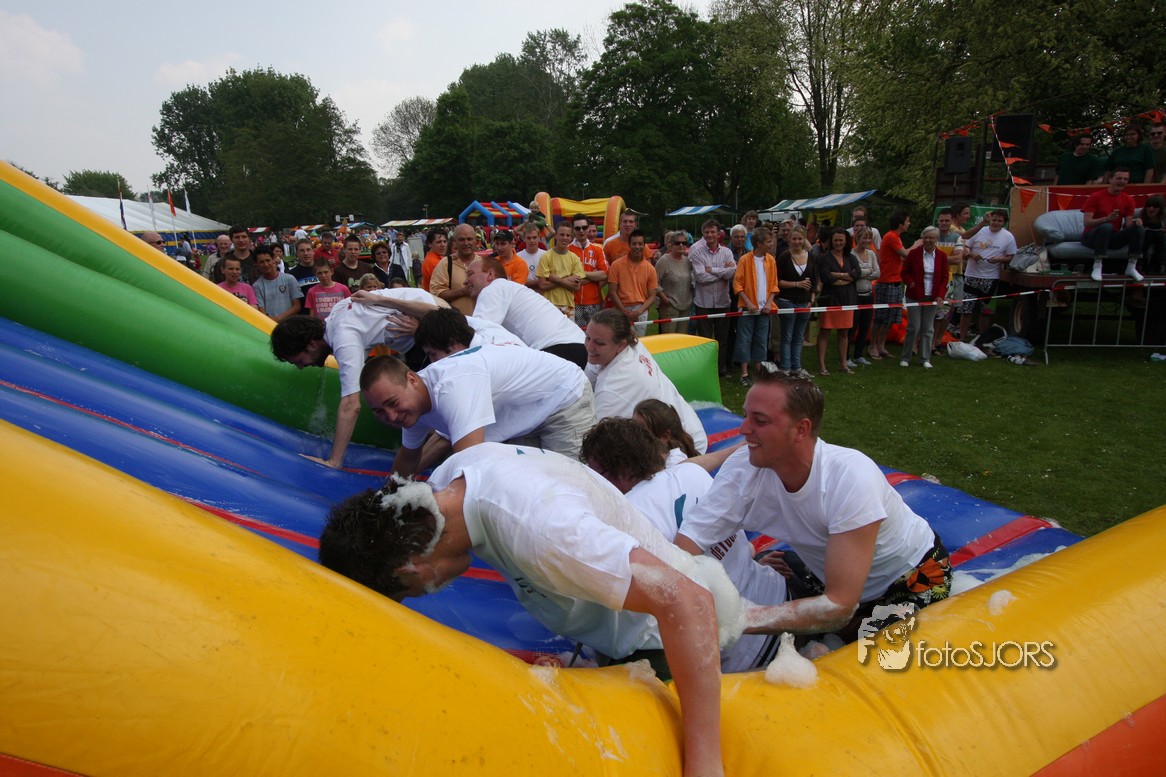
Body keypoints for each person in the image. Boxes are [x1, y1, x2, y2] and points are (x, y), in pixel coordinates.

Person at [319, 444, 738, 777]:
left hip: (665, 644)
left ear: (411, 569)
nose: (426, 593)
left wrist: (705, 764)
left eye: (411, 593)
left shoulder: (542, 530)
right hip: (628, 624)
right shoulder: (453, 478)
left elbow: (688, 601)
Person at [676, 369, 951, 642]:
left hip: (911, 577)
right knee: (777, 567)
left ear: (801, 429)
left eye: (759, 420)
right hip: (830, 576)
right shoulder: (742, 469)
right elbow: (689, 543)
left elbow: (838, 606)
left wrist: (738, 620)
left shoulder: (850, 479)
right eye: (745, 415)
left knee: (871, 654)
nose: (743, 429)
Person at [580, 418, 788, 673]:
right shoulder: (692, 473)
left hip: (740, 655)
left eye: (595, 473)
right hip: (779, 602)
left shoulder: (626, 520)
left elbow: (617, 627)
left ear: (620, 471)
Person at [269, 286, 447, 468]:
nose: (301, 366)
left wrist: (333, 461)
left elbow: (351, 405)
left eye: (299, 361)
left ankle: (441, 444)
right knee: (393, 408)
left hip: (434, 323)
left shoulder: (343, 338)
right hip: (428, 318)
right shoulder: (337, 315)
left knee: (425, 409)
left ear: (311, 344)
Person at [360, 348, 595, 477]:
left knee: (569, 483)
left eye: (392, 403)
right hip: (527, 411)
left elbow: (469, 466)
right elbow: (408, 457)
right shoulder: (412, 403)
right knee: (529, 481)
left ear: (412, 380)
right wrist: (387, 497)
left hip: (563, 397)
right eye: (379, 411)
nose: (391, 416)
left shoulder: (453, 388)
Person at [584, 309, 707, 453]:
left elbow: (595, 442)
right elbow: (588, 378)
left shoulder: (614, 387)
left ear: (620, 345)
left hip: (684, 449)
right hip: (691, 429)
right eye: (587, 337)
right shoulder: (633, 344)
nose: (589, 346)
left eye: (599, 343)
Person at [465, 256, 587, 368]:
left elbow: (480, 333)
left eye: (470, 274)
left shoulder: (493, 288)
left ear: (490, 274)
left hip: (559, 349)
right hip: (579, 345)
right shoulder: (512, 288)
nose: (465, 282)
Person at [689, 219, 737, 377]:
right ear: (703, 234)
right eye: (707, 232)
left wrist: (713, 270)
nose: (710, 235)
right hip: (703, 303)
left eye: (712, 232)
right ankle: (705, 370)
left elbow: (732, 273)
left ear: (718, 234)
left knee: (722, 339)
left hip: (723, 302)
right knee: (704, 339)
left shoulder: (727, 252)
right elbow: (700, 277)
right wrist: (722, 273)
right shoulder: (697, 253)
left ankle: (721, 368)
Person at [1081, 169, 1146, 282]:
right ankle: (1097, 266)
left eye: (1125, 179)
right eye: (1119, 178)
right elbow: (1087, 222)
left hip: (1112, 237)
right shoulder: (1096, 196)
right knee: (1107, 226)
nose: (1122, 181)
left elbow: (1129, 224)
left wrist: (1137, 222)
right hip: (1091, 237)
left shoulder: (1128, 199)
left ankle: (1132, 266)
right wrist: (1106, 219)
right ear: (1110, 179)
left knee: (1138, 228)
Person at [960, 210, 1016, 339]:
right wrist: (972, 254)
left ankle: (982, 339)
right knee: (966, 309)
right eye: (994, 220)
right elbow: (966, 247)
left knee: (986, 311)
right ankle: (962, 337)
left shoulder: (1008, 237)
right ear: (990, 220)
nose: (995, 223)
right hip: (971, 275)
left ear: (1004, 223)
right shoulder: (980, 231)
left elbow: (1011, 257)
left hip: (991, 278)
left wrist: (1000, 259)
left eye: (999, 221)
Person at [732, 226, 778, 386]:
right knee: (744, 339)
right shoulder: (745, 260)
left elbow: (774, 285)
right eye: (769, 242)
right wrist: (748, 302)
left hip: (765, 309)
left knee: (761, 340)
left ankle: (758, 371)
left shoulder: (771, 260)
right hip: (748, 309)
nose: (771, 244)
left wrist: (769, 302)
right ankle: (744, 373)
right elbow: (737, 285)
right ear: (759, 243)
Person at [814, 228, 861, 375]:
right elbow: (827, 278)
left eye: (841, 240)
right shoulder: (825, 258)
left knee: (844, 333)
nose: (838, 243)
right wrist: (847, 276)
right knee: (825, 332)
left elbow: (857, 274)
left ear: (846, 241)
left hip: (847, 299)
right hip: (830, 300)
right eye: (835, 240)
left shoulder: (851, 257)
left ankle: (843, 364)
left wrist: (838, 275)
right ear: (831, 241)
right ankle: (822, 366)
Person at [900, 227, 948, 368]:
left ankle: (925, 358)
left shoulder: (942, 256)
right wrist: (911, 283)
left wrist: (940, 295)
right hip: (914, 296)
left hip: (932, 297)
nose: (927, 240)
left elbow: (944, 277)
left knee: (928, 328)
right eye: (925, 237)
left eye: (931, 237)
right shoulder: (914, 254)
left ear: (936, 239)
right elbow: (904, 272)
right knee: (914, 327)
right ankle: (906, 357)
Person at [869, 211, 913, 358]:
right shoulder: (891, 236)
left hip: (895, 282)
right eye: (907, 221)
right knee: (880, 317)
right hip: (886, 282)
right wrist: (916, 245)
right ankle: (872, 346)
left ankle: (881, 345)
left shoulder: (896, 237)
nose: (909, 224)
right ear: (900, 223)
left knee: (890, 318)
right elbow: (906, 254)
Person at [774, 225, 817, 378]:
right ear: (790, 240)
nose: (797, 242)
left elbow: (815, 280)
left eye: (800, 239)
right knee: (787, 336)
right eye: (794, 239)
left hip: (805, 302)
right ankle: (785, 367)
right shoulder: (783, 257)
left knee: (799, 337)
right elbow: (777, 282)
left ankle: (796, 367)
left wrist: (812, 300)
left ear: (804, 239)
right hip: (787, 301)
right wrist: (797, 284)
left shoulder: (811, 256)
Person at [606, 230, 659, 337]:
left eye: (640, 244)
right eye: (634, 244)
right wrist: (625, 311)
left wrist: (639, 311)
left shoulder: (650, 269)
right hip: (621, 308)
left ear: (644, 245)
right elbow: (612, 292)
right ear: (629, 245)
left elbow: (652, 296)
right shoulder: (616, 265)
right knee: (621, 340)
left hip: (641, 310)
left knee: (639, 342)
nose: (637, 247)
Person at [536, 222, 586, 318]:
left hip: (568, 306)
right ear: (556, 236)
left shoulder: (574, 258)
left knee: (568, 329)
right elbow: (542, 285)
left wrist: (557, 279)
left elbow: (576, 286)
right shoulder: (545, 256)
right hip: (549, 304)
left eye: (567, 235)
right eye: (562, 235)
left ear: (571, 238)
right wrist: (567, 279)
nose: (565, 238)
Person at [568, 214, 609, 328]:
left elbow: (605, 274)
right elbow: (566, 278)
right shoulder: (567, 250)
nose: (581, 231)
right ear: (573, 230)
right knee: (576, 335)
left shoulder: (597, 250)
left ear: (588, 229)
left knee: (595, 334)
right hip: (573, 302)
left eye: (584, 227)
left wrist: (582, 274)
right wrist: (593, 275)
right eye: (577, 228)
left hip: (594, 302)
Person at [429, 223, 477, 315]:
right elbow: (437, 294)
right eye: (462, 240)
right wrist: (463, 292)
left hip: (483, 321)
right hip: (456, 321)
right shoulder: (446, 264)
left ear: (475, 240)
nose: (466, 243)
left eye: (469, 239)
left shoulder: (484, 263)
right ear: (455, 241)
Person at [849, 226, 880, 365]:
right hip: (855, 295)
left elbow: (878, 273)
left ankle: (859, 354)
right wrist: (869, 271)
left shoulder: (871, 254)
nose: (867, 241)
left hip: (868, 294)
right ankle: (846, 356)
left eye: (869, 238)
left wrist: (864, 273)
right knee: (852, 326)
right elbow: (855, 273)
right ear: (858, 238)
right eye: (864, 238)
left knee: (865, 325)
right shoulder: (851, 254)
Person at [655, 231, 694, 334]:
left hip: (686, 306)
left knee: (682, 337)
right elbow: (654, 282)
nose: (681, 245)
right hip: (670, 307)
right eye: (677, 243)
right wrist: (664, 299)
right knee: (669, 337)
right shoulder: (663, 261)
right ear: (671, 245)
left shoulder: (687, 261)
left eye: (684, 243)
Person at [253, 244, 304, 323]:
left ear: (273, 259)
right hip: (270, 325)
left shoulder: (289, 279)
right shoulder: (257, 286)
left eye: (268, 260)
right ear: (256, 264)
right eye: (261, 262)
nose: (266, 264)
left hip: (291, 324)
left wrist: (277, 318)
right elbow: (261, 312)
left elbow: (297, 306)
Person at [289, 239, 321, 305]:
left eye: (308, 250)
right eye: (302, 250)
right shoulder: (292, 275)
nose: (306, 253)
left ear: (313, 251)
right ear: (297, 253)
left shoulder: (322, 270)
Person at [516, 221, 546, 291]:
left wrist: (528, 282)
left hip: (542, 295)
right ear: (524, 239)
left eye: (534, 237)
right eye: (529, 238)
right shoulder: (518, 257)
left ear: (539, 238)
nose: (532, 241)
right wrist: (540, 282)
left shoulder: (546, 255)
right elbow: (518, 283)